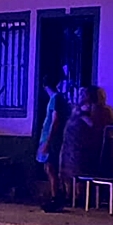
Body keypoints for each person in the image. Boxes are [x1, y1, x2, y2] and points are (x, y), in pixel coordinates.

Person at [51, 86, 113, 213]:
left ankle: (79, 197)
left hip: (81, 147)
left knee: (78, 171)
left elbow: (94, 125)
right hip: (70, 144)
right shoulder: (78, 107)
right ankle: (68, 196)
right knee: (65, 171)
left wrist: (82, 116)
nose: (80, 96)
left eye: (83, 93)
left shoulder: (95, 108)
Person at [37, 74, 70, 211]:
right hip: (48, 137)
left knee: (51, 168)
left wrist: (48, 141)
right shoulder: (55, 99)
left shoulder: (56, 99)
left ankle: (56, 198)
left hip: (52, 139)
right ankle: (55, 196)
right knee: (48, 168)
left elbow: (55, 120)